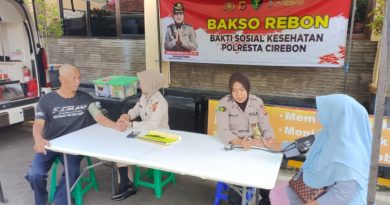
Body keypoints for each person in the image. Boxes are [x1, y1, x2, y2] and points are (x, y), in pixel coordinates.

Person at [25, 64, 126, 205]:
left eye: (79, 78)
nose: (78, 81)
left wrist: (115, 125)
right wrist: (38, 139)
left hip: (74, 146)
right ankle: (40, 200)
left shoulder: (85, 98)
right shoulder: (46, 100)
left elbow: (98, 117)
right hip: (50, 144)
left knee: (72, 171)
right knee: (35, 175)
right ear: (61, 79)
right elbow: (38, 124)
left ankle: (60, 201)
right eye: (74, 78)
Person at [267, 94, 372, 205]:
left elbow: (342, 195)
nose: (318, 113)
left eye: (325, 110)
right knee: (273, 193)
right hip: (312, 193)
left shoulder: (350, 154)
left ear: (338, 115)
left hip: (330, 201)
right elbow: (304, 144)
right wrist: (269, 144)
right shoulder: (329, 134)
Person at [216, 72, 274, 205]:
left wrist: (269, 140)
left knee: (266, 174)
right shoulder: (224, 104)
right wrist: (239, 142)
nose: (239, 94)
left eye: (242, 89)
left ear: (247, 89)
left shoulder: (257, 102)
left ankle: (264, 198)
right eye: (234, 90)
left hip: (254, 144)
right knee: (237, 182)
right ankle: (235, 200)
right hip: (234, 146)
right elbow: (223, 131)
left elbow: (266, 126)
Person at [111, 70, 169, 201]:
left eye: (142, 83)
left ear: (151, 83)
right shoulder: (145, 96)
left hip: (159, 137)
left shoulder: (160, 102)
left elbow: (153, 125)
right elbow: (136, 109)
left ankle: (126, 185)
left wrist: (130, 125)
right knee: (121, 144)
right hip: (144, 133)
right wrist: (127, 115)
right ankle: (126, 184)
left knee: (126, 146)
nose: (139, 85)